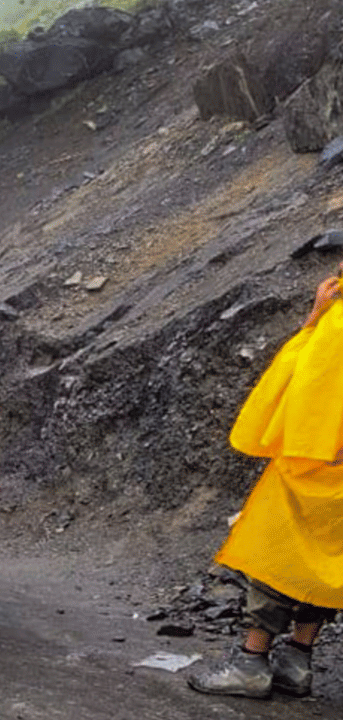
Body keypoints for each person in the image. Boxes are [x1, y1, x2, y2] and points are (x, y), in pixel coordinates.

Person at [187, 262, 343, 699]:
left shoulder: (338, 324)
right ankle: (298, 661)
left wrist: (314, 319)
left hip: (312, 465)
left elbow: (300, 384)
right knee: (330, 563)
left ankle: (252, 663)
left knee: (276, 554)